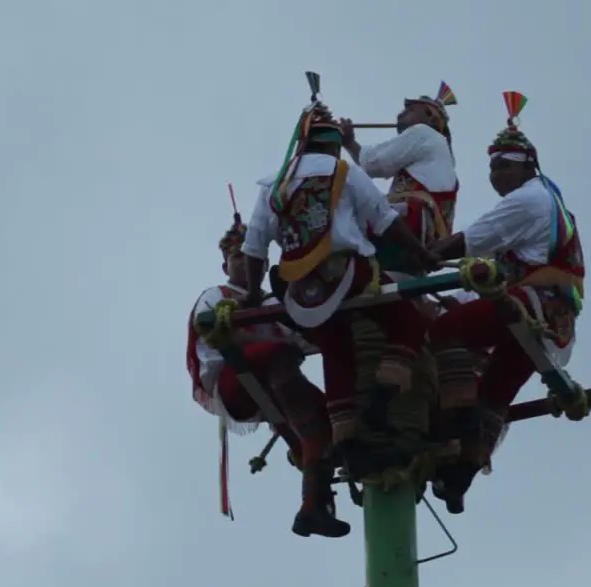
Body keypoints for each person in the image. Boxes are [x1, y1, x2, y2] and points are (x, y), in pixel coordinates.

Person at [238, 100, 441, 470]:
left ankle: (346, 439)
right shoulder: (342, 171)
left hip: (297, 290)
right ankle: (382, 395)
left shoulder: (274, 183)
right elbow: (383, 221)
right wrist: (421, 254)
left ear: (301, 143)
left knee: (336, 350)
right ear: (332, 143)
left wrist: (252, 294)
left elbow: (254, 246)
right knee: (408, 323)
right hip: (347, 276)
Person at [425, 92, 586, 514]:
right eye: (492, 166)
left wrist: (417, 255)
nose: (495, 175)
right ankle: (460, 476)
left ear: (527, 166)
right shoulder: (551, 200)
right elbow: (489, 266)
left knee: (445, 332)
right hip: (554, 328)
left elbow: (469, 243)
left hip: (527, 307)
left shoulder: (528, 199)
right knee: (492, 395)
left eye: (503, 165)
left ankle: (456, 422)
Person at [187, 220, 349, 538]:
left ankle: (315, 506)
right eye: (237, 259)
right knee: (278, 355)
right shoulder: (215, 295)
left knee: (333, 417)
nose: (245, 267)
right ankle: (309, 450)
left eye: (251, 260)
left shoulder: (276, 300)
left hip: (275, 382)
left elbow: (307, 336)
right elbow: (214, 330)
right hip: (235, 382)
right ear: (225, 266)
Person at [338, 82, 460, 253]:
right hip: (428, 236)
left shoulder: (423, 132)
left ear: (431, 117)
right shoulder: (442, 152)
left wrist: (349, 142)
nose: (402, 111)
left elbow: (374, 164)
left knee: (344, 206)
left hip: (411, 222)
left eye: (411, 109)